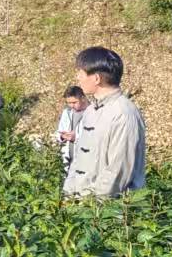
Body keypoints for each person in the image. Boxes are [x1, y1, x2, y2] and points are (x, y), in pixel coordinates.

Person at [62, 47, 147, 198]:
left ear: (96, 78)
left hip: (108, 208)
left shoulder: (123, 114)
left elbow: (118, 171)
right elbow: (79, 158)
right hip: (82, 204)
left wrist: (94, 205)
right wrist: (68, 194)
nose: (78, 77)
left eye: (81, 73)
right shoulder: (90, 110)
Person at [54, 85, 88, 169]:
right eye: (69, 103)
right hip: (68, 159)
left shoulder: (92, 113)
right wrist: (62, 136)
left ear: (83, 98)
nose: (71, 105)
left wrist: (76, 138)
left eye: (74, 102)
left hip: (85, 159)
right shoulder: (67, 112)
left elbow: (95, 138)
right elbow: (59, 132)